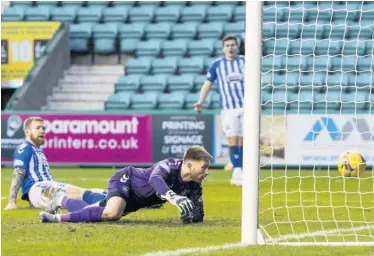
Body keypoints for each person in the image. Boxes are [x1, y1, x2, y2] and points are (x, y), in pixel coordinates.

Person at [4, 116, 106, 211]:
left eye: (43, 128)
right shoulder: (24, 148)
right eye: (38, 128)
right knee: (84, 195)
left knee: (92, 192)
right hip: (37, 189)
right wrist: (12, 201)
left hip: (45, 188)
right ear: (27, 132)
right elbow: (19, 172)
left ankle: (113, 198)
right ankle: (114, 202)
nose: (42, 131)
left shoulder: (37, 150)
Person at [194, 35, 245, 186]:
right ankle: (237, 170)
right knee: (233, 138)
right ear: (223, 48)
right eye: (228, 45)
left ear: (237, 47)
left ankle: (240, 168)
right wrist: (200, 101)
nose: (231, 48)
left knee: (244, 139)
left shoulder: (245, 61)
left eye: (233, 45)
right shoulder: (217, 65)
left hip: (247, 107)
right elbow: (207, 84)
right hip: (229, 108)